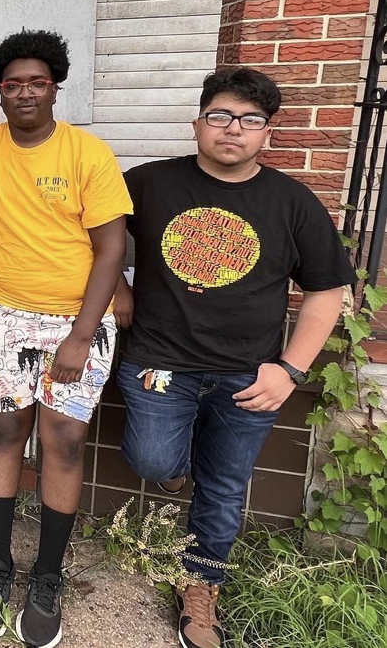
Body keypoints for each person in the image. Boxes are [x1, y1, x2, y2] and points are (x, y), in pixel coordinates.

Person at [113, 68, 354, 648]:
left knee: (224, 485)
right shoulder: (147, 184)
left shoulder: (292, 202)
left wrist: (290, 368)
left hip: (250, 373)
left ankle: (201, 587)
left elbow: (326, 289)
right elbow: (92, 238)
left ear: (267, 133)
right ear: (198, 122)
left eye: (250, 121)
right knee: (150, 459)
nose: (233, 129)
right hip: (158, 359)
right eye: (220, 115)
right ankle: (177, 468)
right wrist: (118, 288)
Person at [0, 29, 132, 646]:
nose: (24, 93)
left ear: (55, 88)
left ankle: (47, 575)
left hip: (76, 319)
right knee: (5, 431)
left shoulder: (88, 154)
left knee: (65, 440)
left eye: (37, 83)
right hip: (2, 315)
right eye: (13, 83)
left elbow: (112, 248)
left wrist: (82, 334)